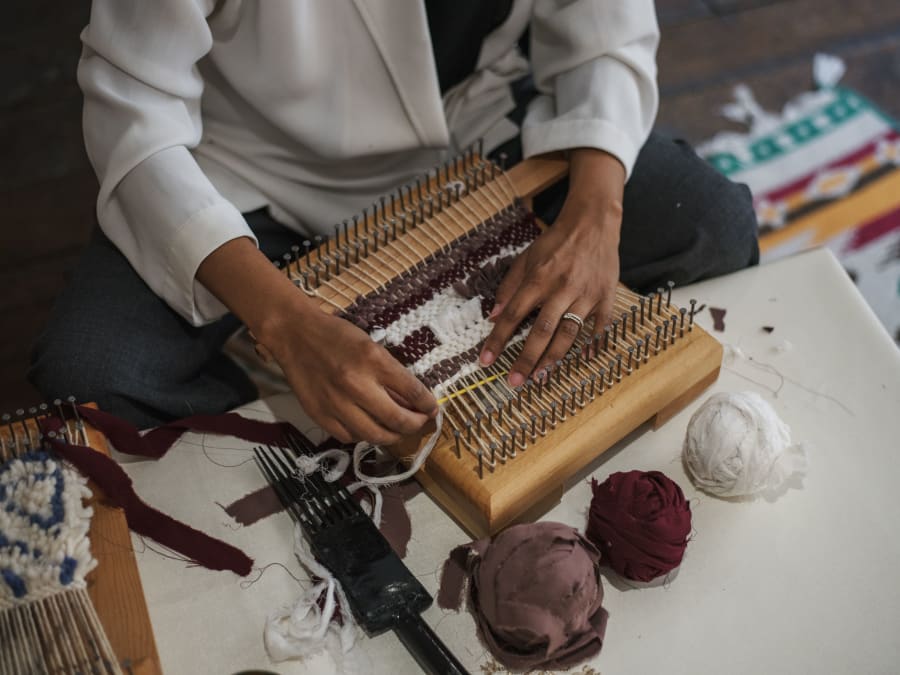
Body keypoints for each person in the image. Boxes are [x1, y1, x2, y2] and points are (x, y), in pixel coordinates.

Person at [30, 0, 758, 441]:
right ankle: (309, 434)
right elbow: (135, 112)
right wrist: (286, 323)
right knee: (92, 377)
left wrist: (595, 213)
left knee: (711, 225)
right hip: (257, 168)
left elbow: (605, 24)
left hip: (473, 133)